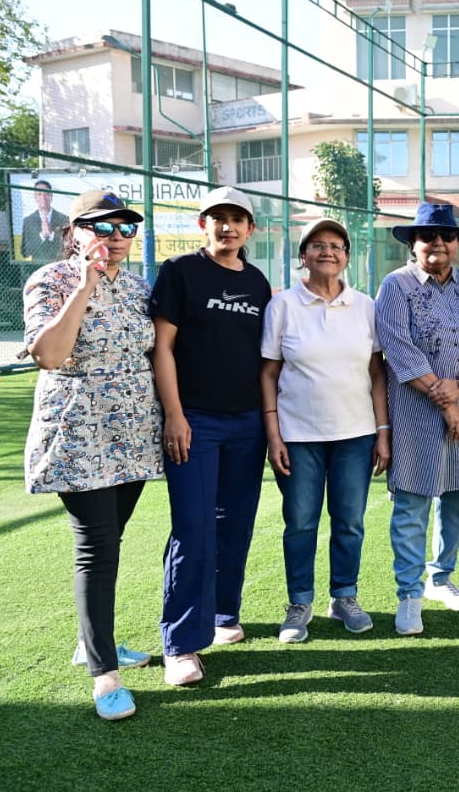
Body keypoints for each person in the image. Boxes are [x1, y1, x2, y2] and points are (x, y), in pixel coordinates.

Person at [23, 190, 161, 721]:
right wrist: (84, 285)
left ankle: (92, 641)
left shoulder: (137, 285)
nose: (116, 237)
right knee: (96, 548)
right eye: (102, 227)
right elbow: (49, 354)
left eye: (126, 228)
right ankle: (105, 675)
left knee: (111, 540)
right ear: (75, 232)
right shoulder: (51, 280)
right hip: (79, 436)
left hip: (133, 433)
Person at [151, 186, 271, 686]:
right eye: (217, 218)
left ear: (250, 229)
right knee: (194, 527)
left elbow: (265, 361)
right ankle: (180, 644)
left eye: (237, 219)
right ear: (203, 224)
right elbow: (162, 348)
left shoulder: (258, 282)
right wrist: (175, 415)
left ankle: (223, 614)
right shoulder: (180, 271)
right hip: (194, 421)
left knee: (235, 523)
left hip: (248, 424)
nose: (227, 226)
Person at [260, 217, 391, 644]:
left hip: (356, 434)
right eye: (317, 245)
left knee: (349, 521)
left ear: (347, 256)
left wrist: (382, 432)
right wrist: (274, 435)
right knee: (300, 522)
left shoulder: (365, 306)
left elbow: (376, 373)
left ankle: (344, 597)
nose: (327, 251)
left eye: (336, 245)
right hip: (298, 437)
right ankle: (299, 604)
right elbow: (268, 373)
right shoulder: (283, 306)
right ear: (303, 255)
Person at [375, 203, 459, 636]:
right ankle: (409, 594)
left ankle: (440, 578)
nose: (438, 243)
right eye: (428, 236)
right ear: (414, 243)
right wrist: (446, 403)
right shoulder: (396, 286)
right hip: (415, 413)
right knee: (411, 504)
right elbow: (398, 347)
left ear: (457, 243)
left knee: (458, 500)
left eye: (447, 236)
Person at [21, 180, 70, 264]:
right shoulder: (28, 221)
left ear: (51, 196)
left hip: (58, 264)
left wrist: (52, 235)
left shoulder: (64, 219)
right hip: (37, 266)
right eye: (39, 194)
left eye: (46, 194)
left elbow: (67, 247)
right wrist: (42, 236)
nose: (43, 197)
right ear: (35, 197)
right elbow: (25, 252)